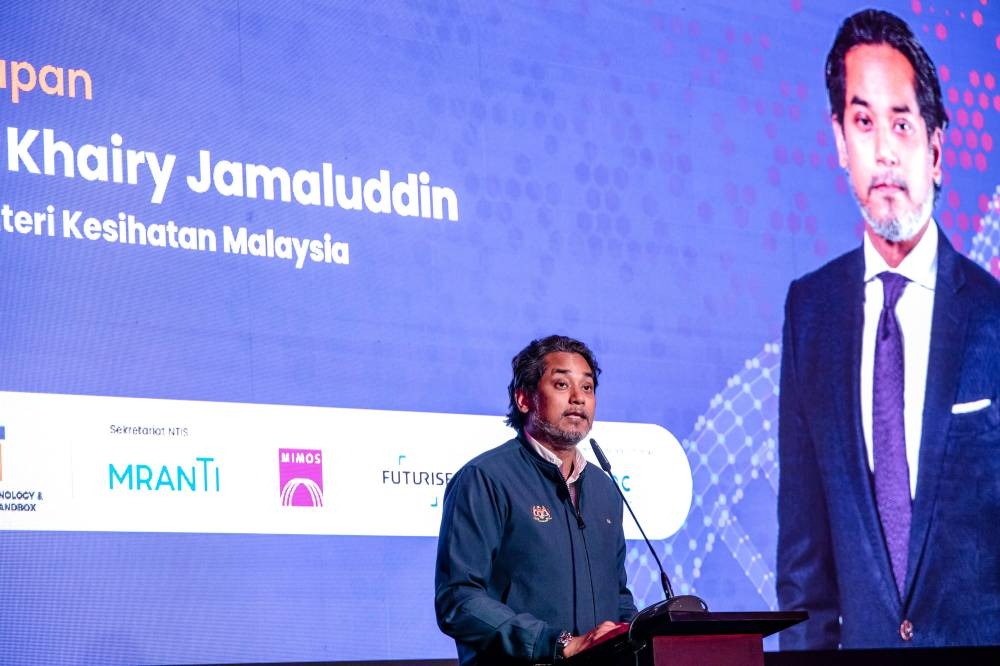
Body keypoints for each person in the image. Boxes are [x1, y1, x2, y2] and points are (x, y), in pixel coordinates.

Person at [777, 8, 1000, 649]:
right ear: (840, 142)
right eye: (863, 121)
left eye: (900, 123)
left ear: (934, 149)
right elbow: (803, 565)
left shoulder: (991, 316)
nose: (883, 150)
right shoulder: (809, 312)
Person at [435, 335, 636, 665]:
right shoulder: (486, 478)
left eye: (587, 388)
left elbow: (618, 595)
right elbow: (458, 598)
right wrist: (555, 643)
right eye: (561, 384)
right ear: (524, 398)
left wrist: (632, 633)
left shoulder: (604, 488)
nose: (578, 399)